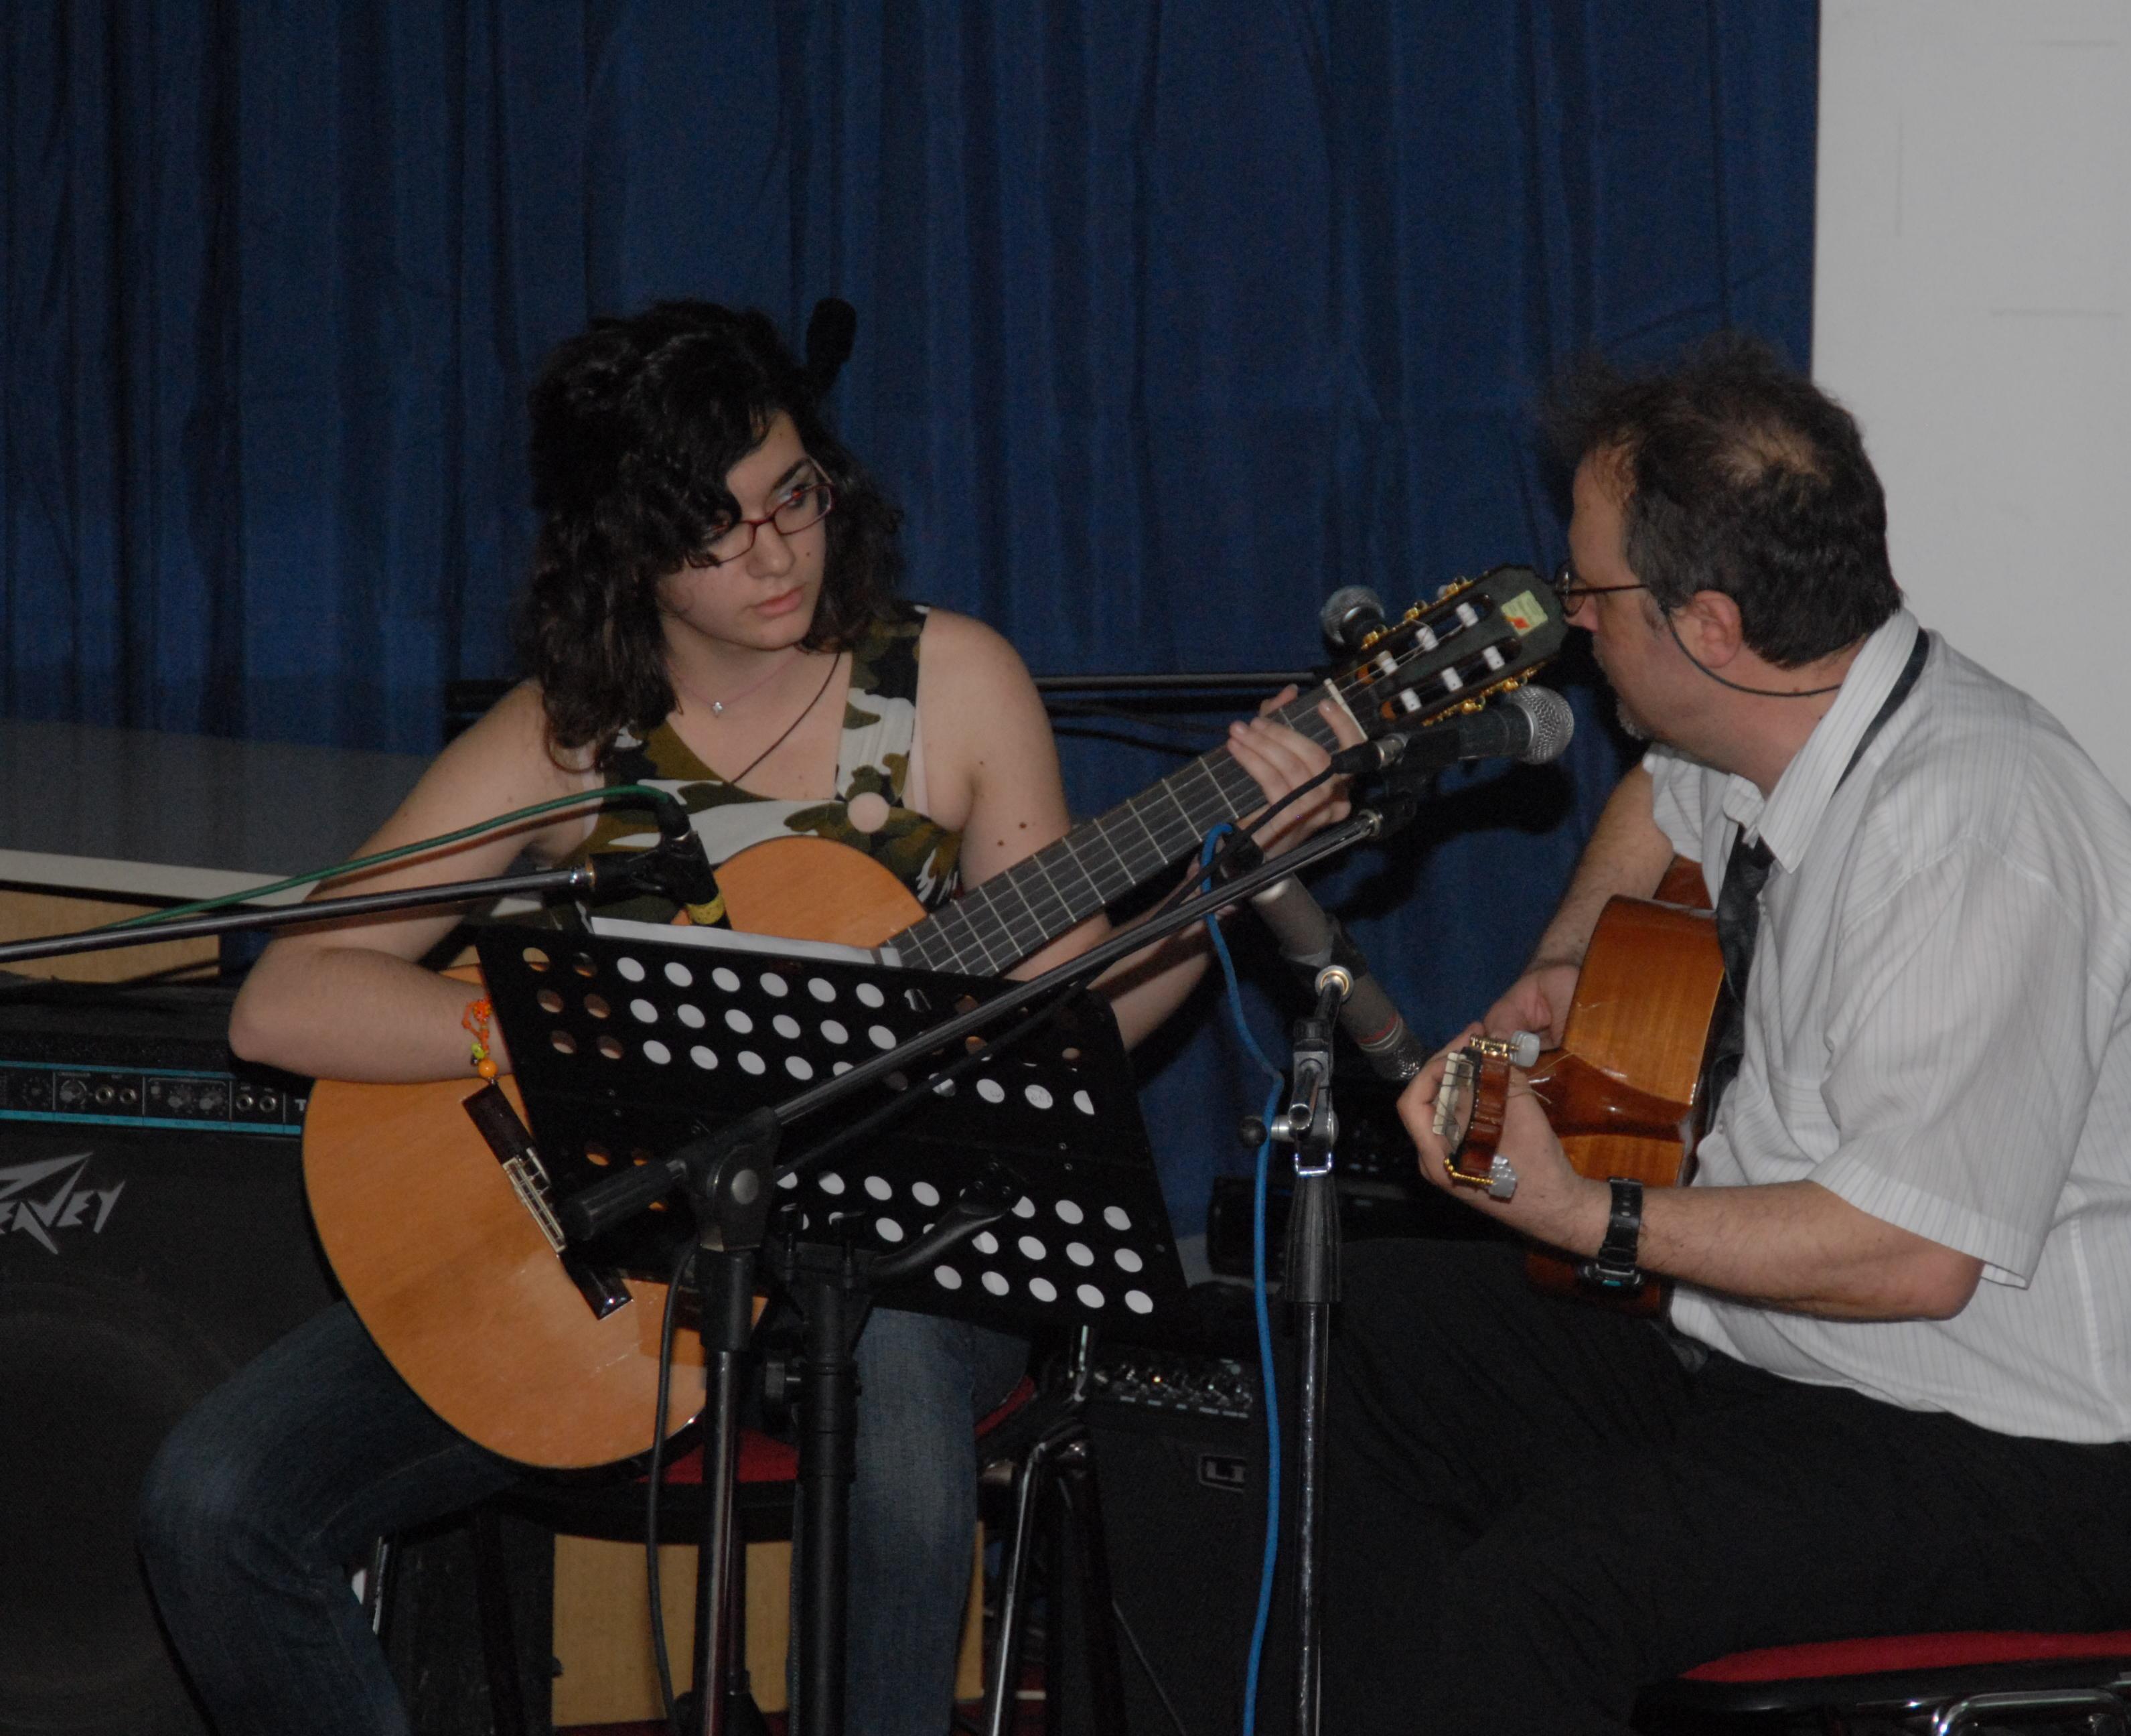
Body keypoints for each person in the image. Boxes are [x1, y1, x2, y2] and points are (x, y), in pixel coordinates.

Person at [137, 299, 1349, 1736]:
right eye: (712, 529)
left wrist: (1214, 892)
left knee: (895, 1415)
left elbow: (1070, 1016)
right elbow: (287, 1002)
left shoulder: (949, 684)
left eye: (793, 498)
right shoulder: (569, 736)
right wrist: (559, 1035)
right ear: (623, 546)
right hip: (618, 1271)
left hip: (910, 1240)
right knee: (216, 1503)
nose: (773, 555)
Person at [1326, 330, 2131, 1736]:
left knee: (1547, 1592)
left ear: (1706, 627)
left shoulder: (1975, 834)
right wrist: (1574, 952)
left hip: (2035, 1449)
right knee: (1346, 1332)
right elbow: (1662, 794)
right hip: (1785, 1363)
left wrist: (1585, 1215)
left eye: (1590, 590)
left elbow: (1911, 1254)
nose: (1572, 620)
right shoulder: (1782, 723)